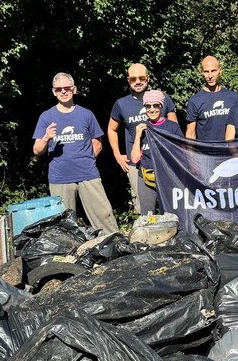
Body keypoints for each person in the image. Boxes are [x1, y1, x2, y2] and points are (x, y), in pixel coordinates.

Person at [33, 72, 119, 234]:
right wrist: (46, 137)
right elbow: (37, 150)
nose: (63, 92)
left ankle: (115, 247)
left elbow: (97, 143)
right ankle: (68, 255)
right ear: (53, 91)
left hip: (88, 175)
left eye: (67, 88)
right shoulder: (46, 117)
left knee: (103, 216)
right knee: (63, 225)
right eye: (59, 89)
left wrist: (85, 160)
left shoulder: (86, 114)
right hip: (60, 178)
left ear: (74, 89)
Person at [108, 63, 177, 212]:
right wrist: (117, 154)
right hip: (136, 163)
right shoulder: (121, 104)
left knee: (171, 204)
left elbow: (174, 130)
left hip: (163, 161)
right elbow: (112, 129)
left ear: (148, 78)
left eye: (141, 78)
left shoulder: (163, 99)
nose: (138, 81)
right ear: (128, 80)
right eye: (133, 79)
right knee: (143, 209)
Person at [130, 90, 183, 214]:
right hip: (147, 177)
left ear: (161, 106)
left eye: (155, 105)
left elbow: (181, 153)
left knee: (172, 213)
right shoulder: (141, 128)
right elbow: (135, 159)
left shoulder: (172, 127)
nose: (152, 109)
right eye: (148, 106)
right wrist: (138, 136)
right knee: (147, 215)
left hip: (168, 177)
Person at [186, 56, 238, 140]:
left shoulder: (233, 97)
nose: (210, 75)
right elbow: (190, 133)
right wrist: (189, 153)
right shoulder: (194, 101)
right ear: (202, 73)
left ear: (220, 71)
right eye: (206, 72)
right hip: (204, 152)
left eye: (213, 71)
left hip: (228, 151)